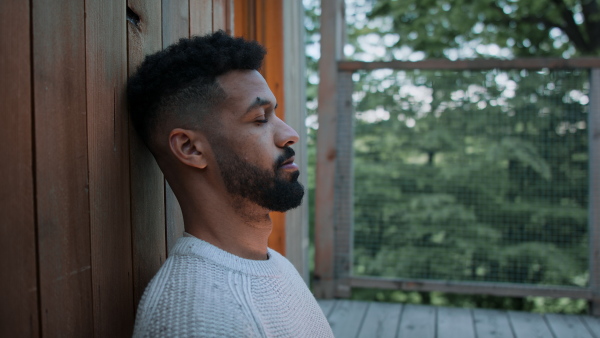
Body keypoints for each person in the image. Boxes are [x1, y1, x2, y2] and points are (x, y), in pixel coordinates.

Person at [127, 31, 333, 337]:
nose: (289, 134)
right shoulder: (196, 319)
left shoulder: (271, 264)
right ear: (190, 148)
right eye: (260, 119)